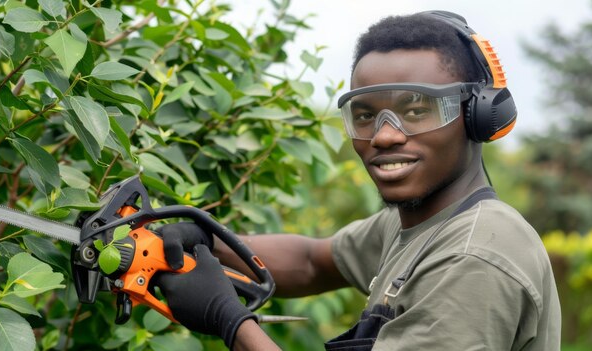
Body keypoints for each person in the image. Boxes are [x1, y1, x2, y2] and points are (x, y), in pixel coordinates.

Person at [153, 10, 561, 351]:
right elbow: (312, 263)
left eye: (416, 110)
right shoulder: (419, 222)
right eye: (365, 115)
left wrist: (230, 320)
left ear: (478, 115)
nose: (384, 135)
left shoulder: (473, 258)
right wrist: (204, 241)